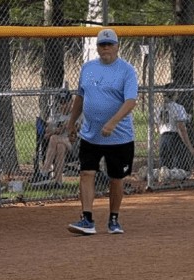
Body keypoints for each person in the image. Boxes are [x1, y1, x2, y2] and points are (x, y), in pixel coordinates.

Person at [67, 29, 137, 235]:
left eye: (109, 44)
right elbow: (80, 97)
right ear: (97, 47)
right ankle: (87, 219)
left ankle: (114, 219)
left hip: (119, 136)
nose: (105, 48)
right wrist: (71, 122)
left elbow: (131, 101)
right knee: (86, 173)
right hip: (91, 134)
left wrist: (113, 123)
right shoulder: (87, 68)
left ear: (117, 46)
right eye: (102, 45)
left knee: (116, 178)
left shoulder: (126, 70)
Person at [154, 86, 194, 182]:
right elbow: (181, 128)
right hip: (175, 138)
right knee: (184, 171)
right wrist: (190, 147)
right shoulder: (179, 107)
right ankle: (169, 174)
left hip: (163, 138)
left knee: (164, 165)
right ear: (174, 95)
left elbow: (157, 130)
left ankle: (152, 173)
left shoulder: (158, 108)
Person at [39, 93, 77, 188]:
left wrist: (70, 127)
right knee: (60, 147)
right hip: (60, 146)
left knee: (54, 138)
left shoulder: (77, 115)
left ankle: (44, 171)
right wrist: (56, 131)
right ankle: (58, 182)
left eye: (65, 102)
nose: (62, 105)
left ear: (71, 102)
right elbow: (46, 136)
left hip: (74, 146)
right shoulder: (54, 117)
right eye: (61, 102)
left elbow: (75, 134)